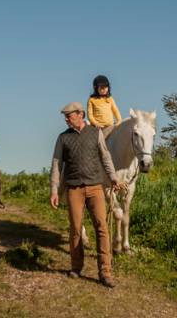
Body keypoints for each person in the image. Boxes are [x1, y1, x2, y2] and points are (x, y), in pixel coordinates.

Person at [50, 101, 122, 288]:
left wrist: (113, 178)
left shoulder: (95, 132)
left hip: (95, 187)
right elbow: (57, 165)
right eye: (65, 116)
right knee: (75, 228)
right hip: (74, 189)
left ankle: (105, 272)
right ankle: (76, 267)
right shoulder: (62, 138)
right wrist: (54, 191)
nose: (66, 119)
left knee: (102, 228)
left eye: (69, 115)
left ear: (80, 114)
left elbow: (105, 156)